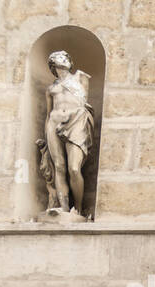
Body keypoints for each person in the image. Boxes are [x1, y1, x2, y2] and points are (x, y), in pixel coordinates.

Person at [44, 50, 95, 217]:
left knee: (74, 168)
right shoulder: (51, 88)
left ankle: (78, 210)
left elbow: (83, 102)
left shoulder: (80, 77)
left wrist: (72, 117)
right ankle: (64, 209)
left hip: (76, 121)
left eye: (66, 57)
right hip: (54, 122)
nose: (64, 59)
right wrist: (47, 133)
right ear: (53, 63)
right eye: (60, 56)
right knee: (59, 166)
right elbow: (48, 113)